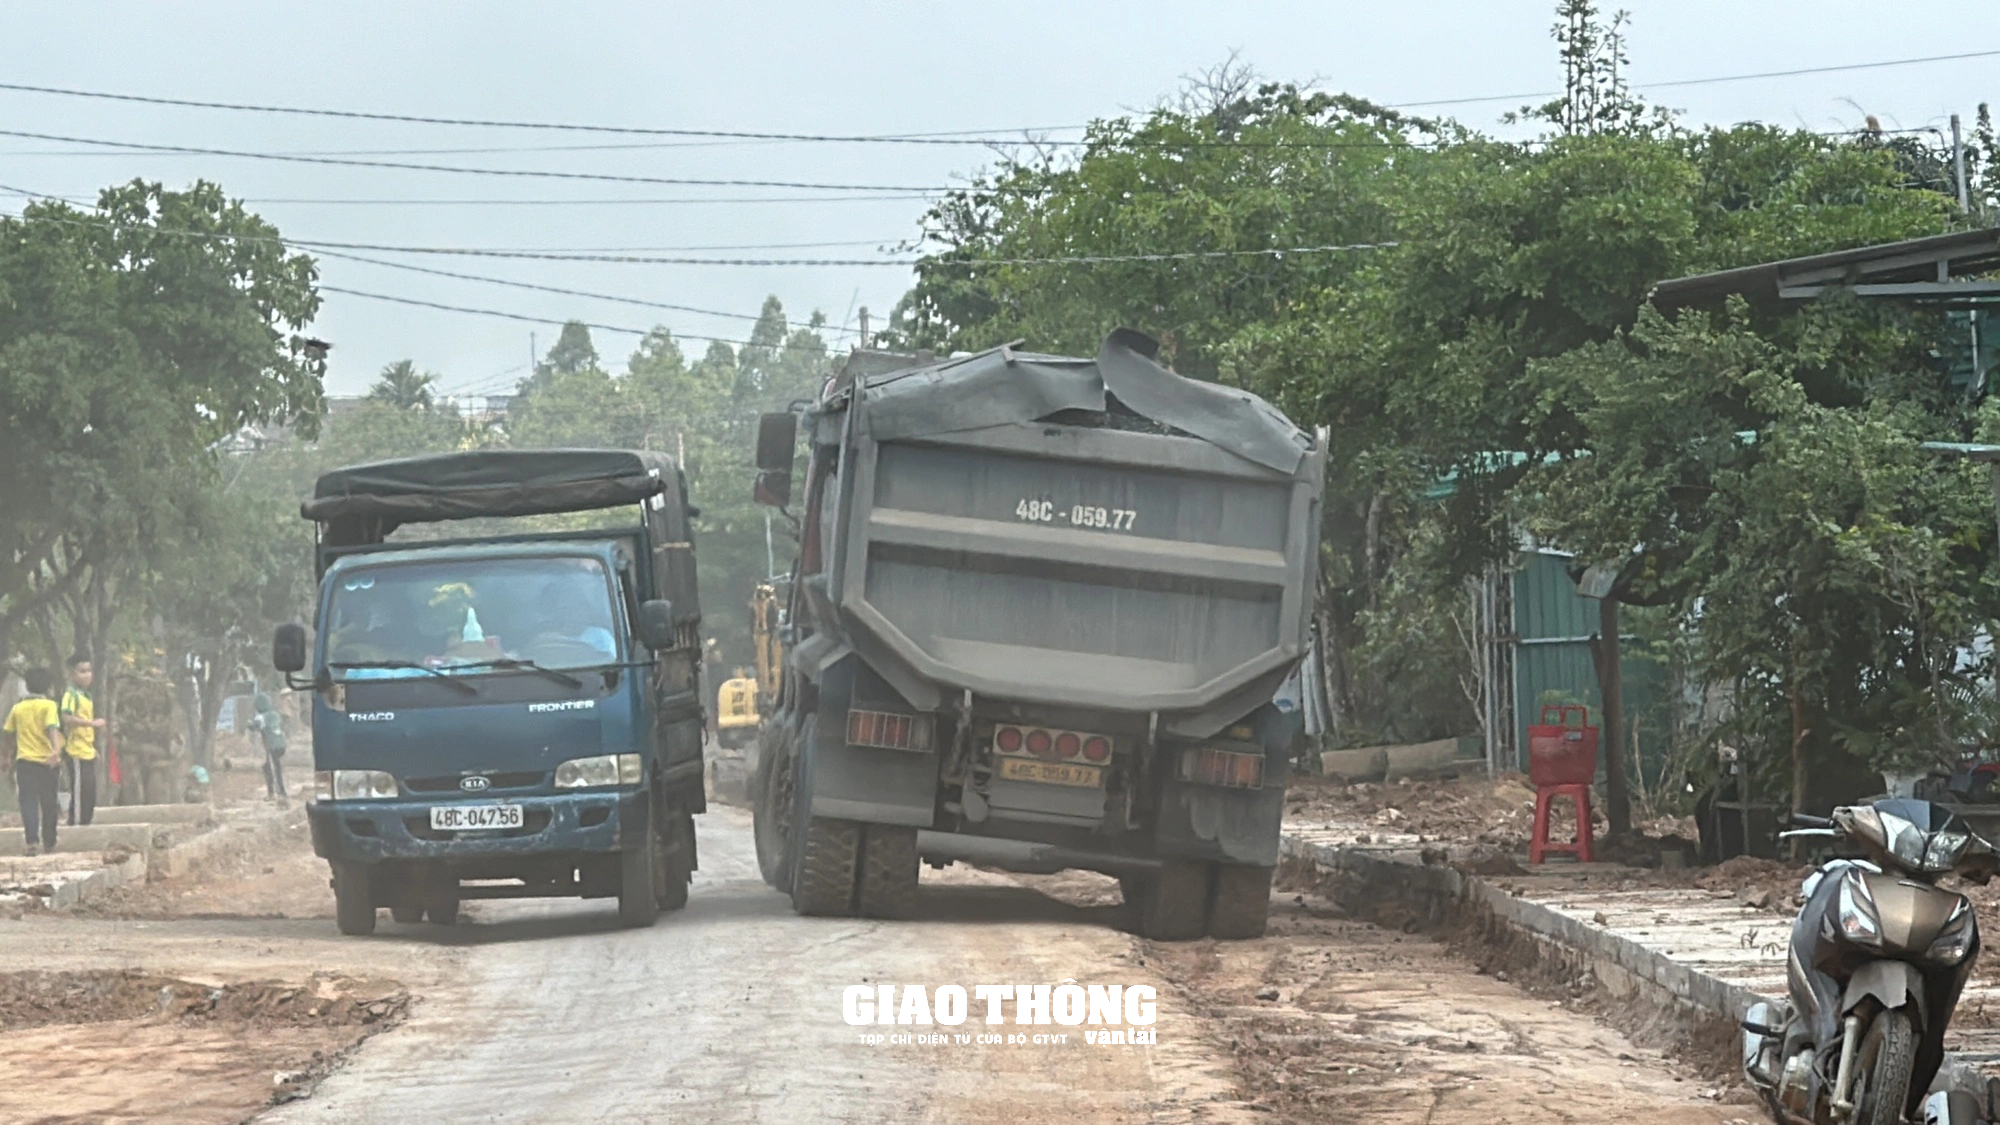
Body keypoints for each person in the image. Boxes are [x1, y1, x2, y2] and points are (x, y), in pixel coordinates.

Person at [3, 669, 65, 855]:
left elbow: (8, 734)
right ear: (48, 687)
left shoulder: (18, 708)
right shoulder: (49, 705)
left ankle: (32, 841)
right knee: (49, 802)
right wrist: (56, 751)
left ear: (28, 686)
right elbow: (52, 728)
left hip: (25, 762)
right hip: (47, 762)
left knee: (28, 802)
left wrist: (6, 757)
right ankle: (50, 842)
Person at [59, 654, 105, 826]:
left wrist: (93, 749)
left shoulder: (86, 696)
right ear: (72, 674)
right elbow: (66, 718)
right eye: (82, 671)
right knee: (80, 790)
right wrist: (92, 723)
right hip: (75, 750)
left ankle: (86, 821)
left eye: (89, 671)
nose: (87, 675)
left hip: (87, 750)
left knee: (90, 790)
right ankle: (76, 823)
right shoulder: (71, 694)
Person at [248, 692, 288, 803]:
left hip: (271, 745)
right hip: (282, 744)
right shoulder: (275, 714)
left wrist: (249, 724)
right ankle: (276, 792)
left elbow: (254, 727)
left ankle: (277, 793)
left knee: (271, 769)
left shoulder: (261, 717)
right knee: (273, 767)